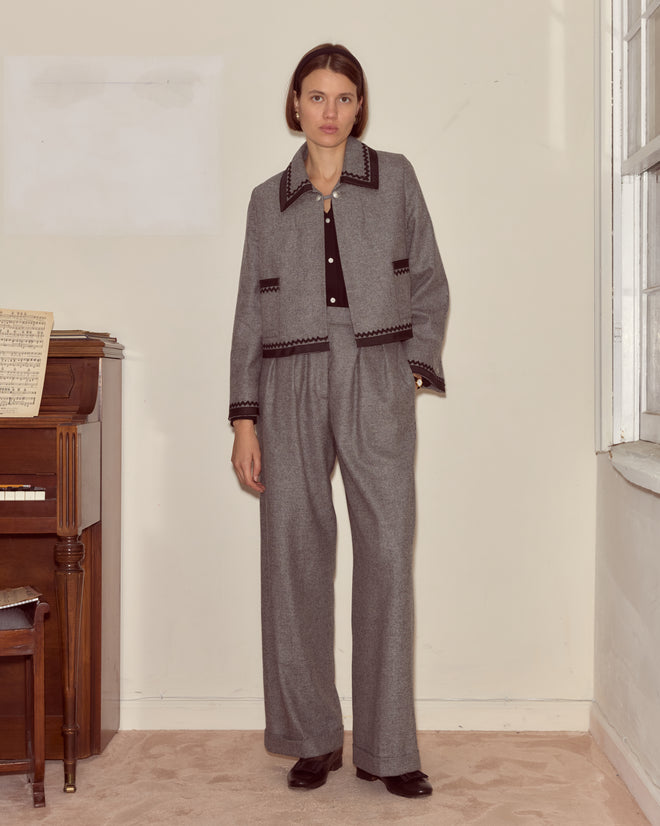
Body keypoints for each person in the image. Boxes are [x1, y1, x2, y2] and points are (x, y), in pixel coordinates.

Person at [229, 43, 448, 799]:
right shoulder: (267, 199)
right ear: (295, 103)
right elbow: (248, 315)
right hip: (288, 376)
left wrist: (410, 365)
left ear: (361, 106)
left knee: (386, 554)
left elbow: (428, 278)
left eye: (344, 97)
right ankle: (310, 737)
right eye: (316, 96)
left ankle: (390, 748)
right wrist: (244, 417)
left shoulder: (396, 181)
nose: (330, 111)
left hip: (375, 369)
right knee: (293, 554)